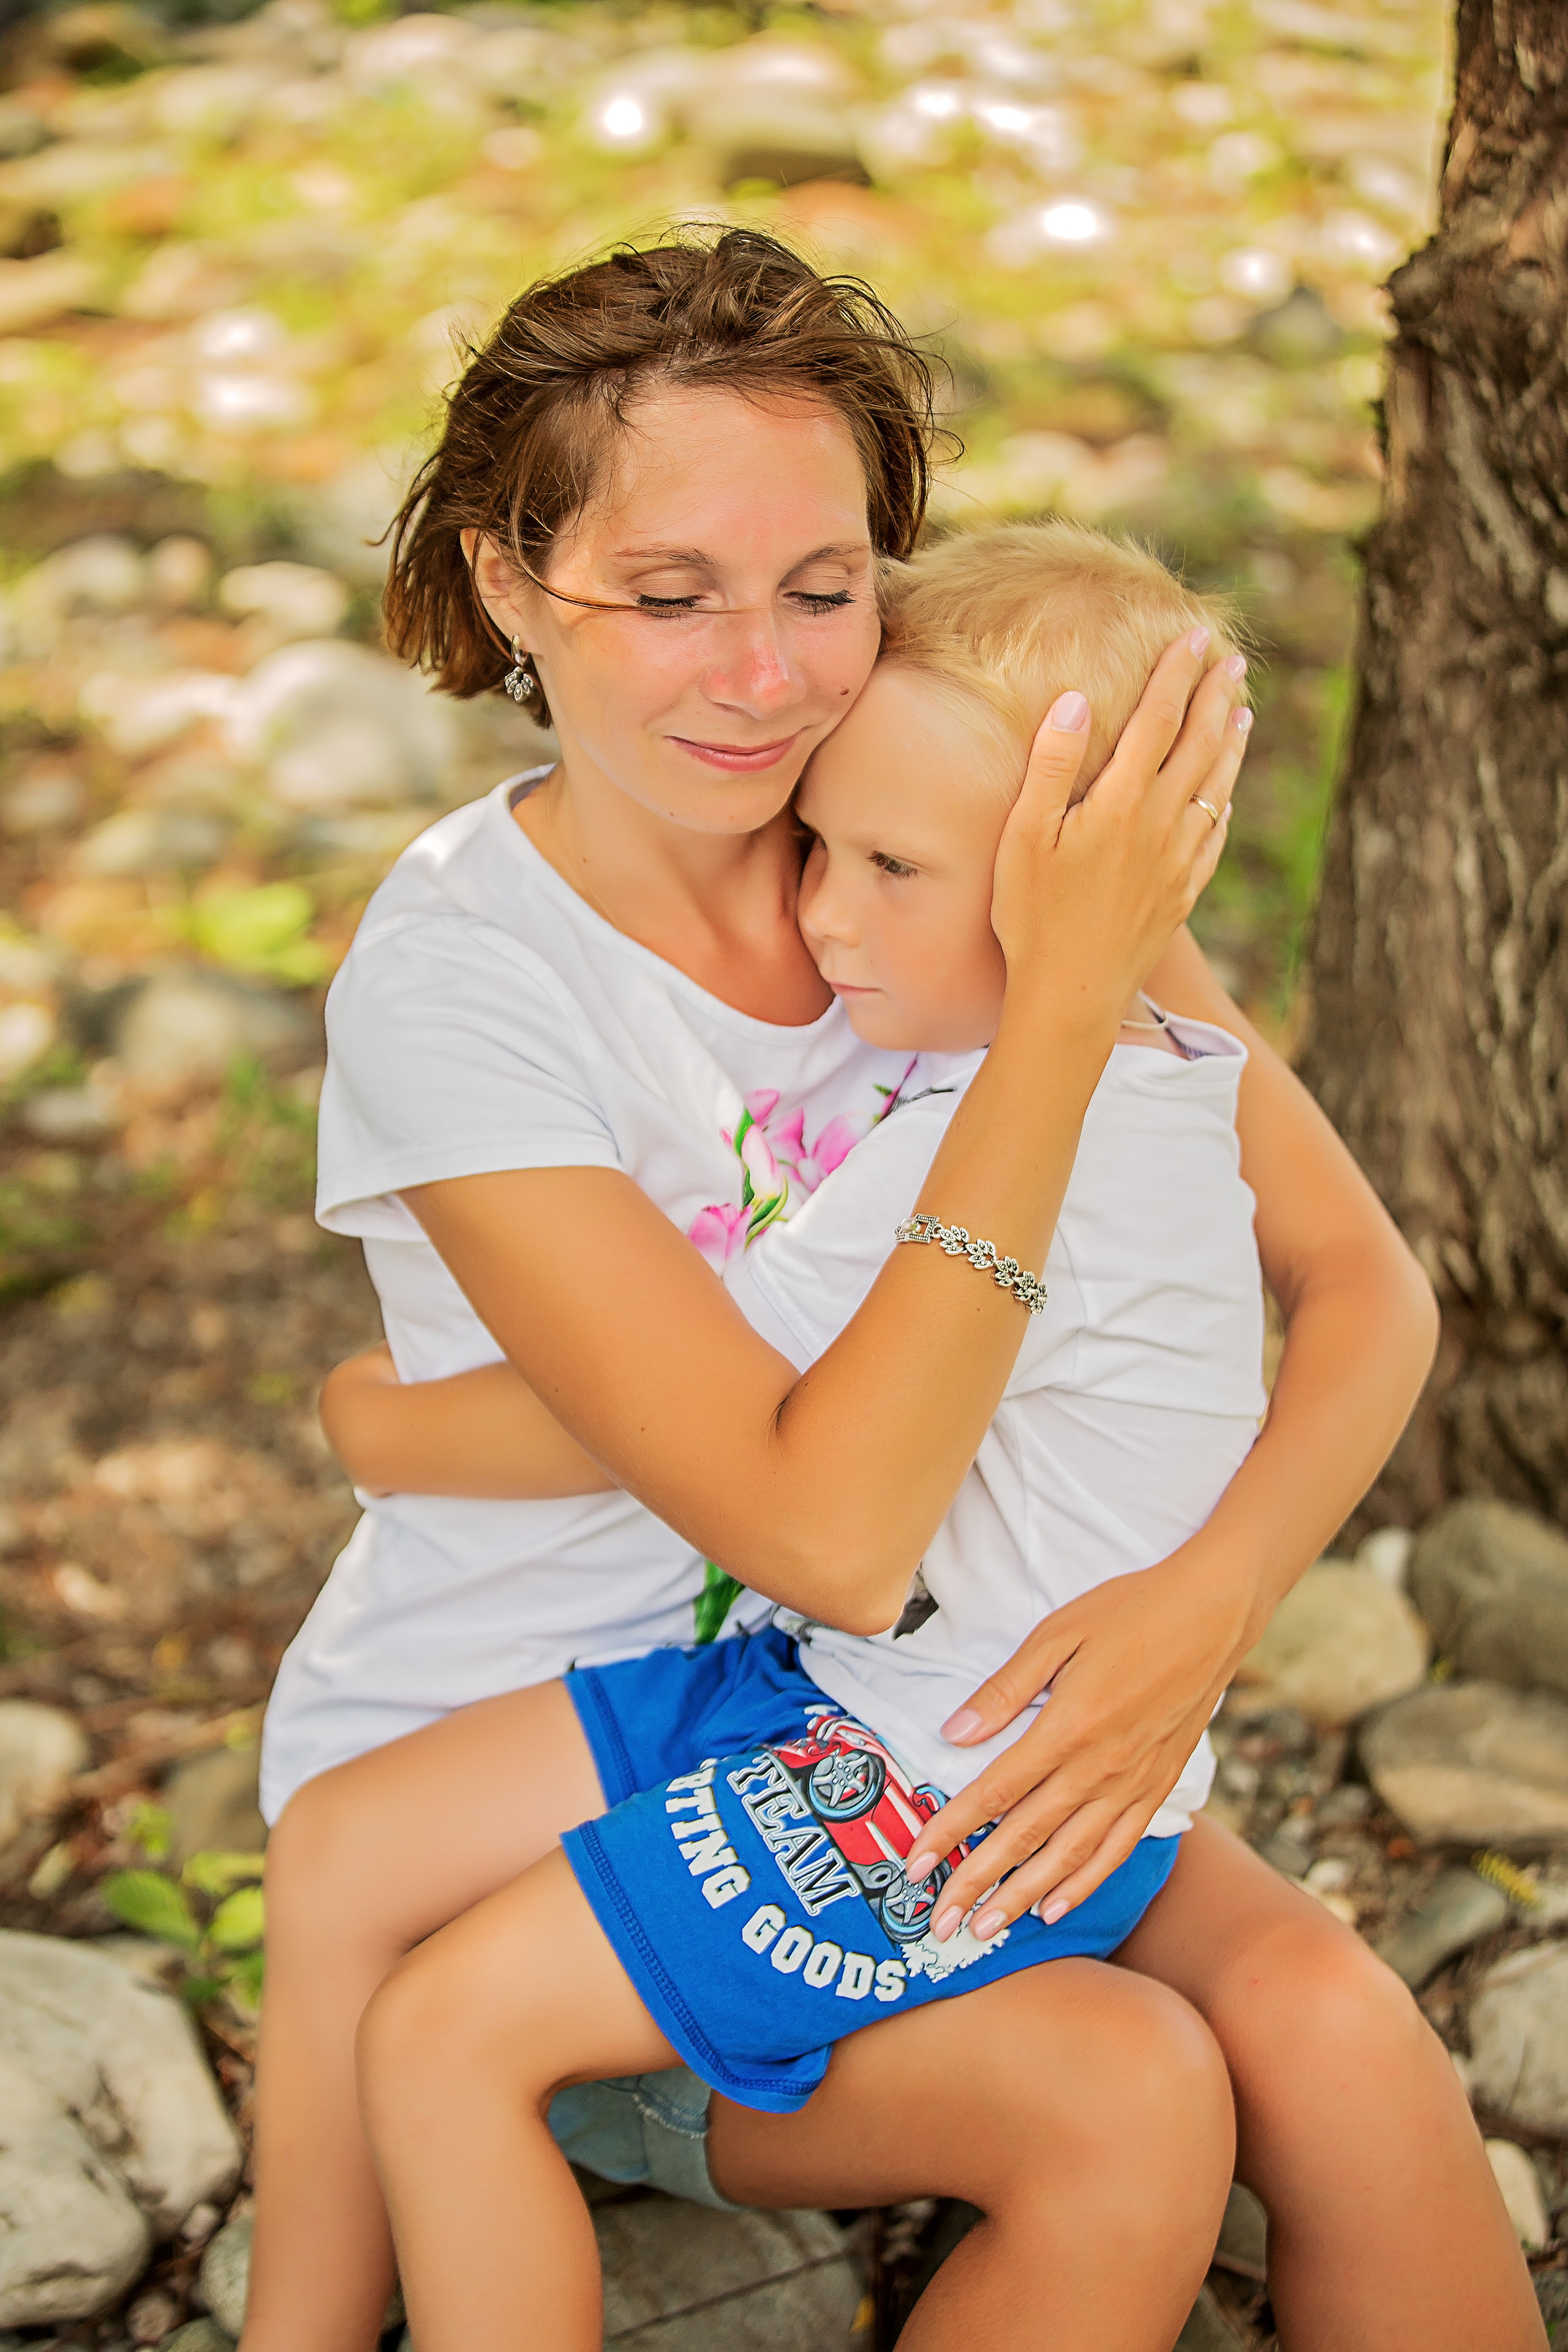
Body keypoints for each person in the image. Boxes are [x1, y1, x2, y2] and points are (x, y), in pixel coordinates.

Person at [247, 231, 1542, 2352]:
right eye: (667, 597)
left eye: (824, 587)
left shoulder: (948, 812)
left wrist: (1210, 1604)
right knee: (1137, 2097)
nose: (761, 677)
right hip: (551, 1820)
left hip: (913, 1743)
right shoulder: (466, 978)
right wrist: (1050, 1030)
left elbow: (1358, 1282)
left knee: (1330, 2018)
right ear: (505, 585)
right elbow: (827, 1529)